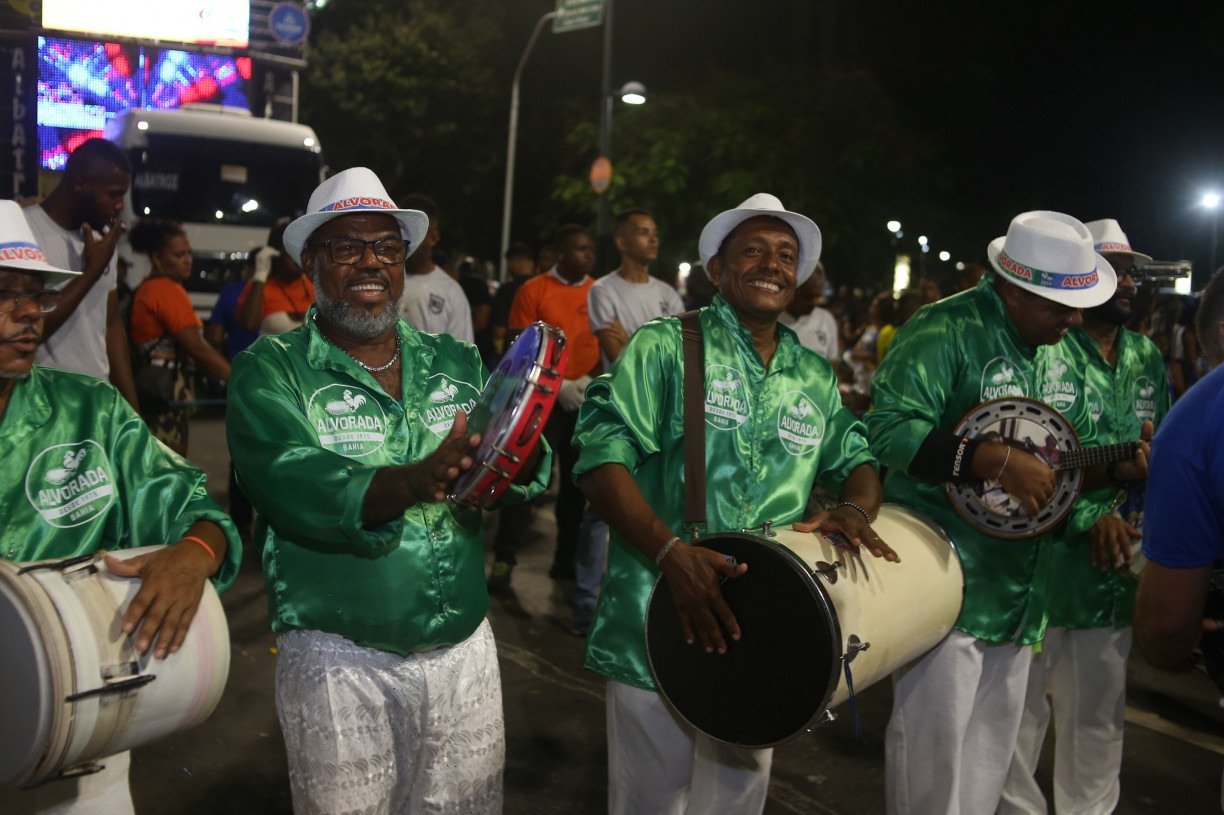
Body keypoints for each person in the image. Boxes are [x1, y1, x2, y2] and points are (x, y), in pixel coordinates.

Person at [225, 167, 550, 814]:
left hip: (462, 650)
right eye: (347, 248)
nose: (371, 262)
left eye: (387, 248)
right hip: (339, 658)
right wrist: (416, 478)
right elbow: (289, 482)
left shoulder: (455, 359)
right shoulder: (271, 369)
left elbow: (521, 467)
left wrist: (512, 455)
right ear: (311, 263)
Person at [574, 193, 896, 814]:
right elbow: (599, 460)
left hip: (763, 629)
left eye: (785, 255)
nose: (772, 264)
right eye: (753, 250)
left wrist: (857, 508)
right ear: (716, 271)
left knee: (736, 803)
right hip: (655, 617)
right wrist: (670, 553)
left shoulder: (813, 374)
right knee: (649, 802)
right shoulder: (667, 346)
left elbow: (858, 461)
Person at [867, 210, 1148, 815]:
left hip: (1024, 594)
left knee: (988, 763)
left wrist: (1110, 473)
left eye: (1079, 306)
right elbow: (887, 430)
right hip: (943, 583)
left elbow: (1060, 462)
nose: (1075, 320)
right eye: (1059, 307)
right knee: (931, 757)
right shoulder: (946, 329)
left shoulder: (1059, 347)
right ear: (1014, 290)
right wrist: (985, 459)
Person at [0, 199, 240, 815]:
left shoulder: (89, 412)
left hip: (81, 752)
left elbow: (198, 510)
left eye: (38, 295)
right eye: (6, 294)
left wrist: (193, 553)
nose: (30, 314)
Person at [1001, 218, 1167, 815]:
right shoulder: (1044, 347)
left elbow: (1155, 450)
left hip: (1114, 567)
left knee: (1098, 715)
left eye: (1132, 272)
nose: (1126, 282)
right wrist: (1086, 514)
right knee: (1021, 715)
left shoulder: (1147, 357)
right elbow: (1026, 455)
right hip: (1043, 559)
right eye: (1113, 269)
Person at [569, 207, 684, 633]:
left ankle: (644, 608)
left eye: (655, 232)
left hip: (662, 416)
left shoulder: (669, 294)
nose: (653, 239)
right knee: (601, 510)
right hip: (619, 414)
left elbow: (676, 361)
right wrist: (648, 344)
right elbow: (620, 360)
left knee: (652, 509)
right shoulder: (603, 290)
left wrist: (633, 338)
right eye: (643, 232)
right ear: (621, 241)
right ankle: (585, 603)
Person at [509, 224, 600, 581]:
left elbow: (606, 344)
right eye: (579, 248)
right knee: (525, 480)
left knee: (576, 490)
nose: (587, 254)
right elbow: (520, 347)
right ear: (560, 252)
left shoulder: (598, 292)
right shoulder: (534, 290)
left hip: (583, 399)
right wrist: (556, 384)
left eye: (590, 248)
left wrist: (586, 380)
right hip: (541, 400)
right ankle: (505, 559)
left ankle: (565, 564)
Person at [24, 137, 138, 408]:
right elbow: (32, 328)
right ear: (80, 183)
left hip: (96, 406)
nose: (120, 206)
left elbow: (110, 325)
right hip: (45, 407)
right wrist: (92, 271)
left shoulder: (101, 240)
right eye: (113, 194)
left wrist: (134, 412)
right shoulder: (25, 233)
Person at [127, 218, 232, 455]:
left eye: (189, 253)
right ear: (156, 258)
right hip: (163, 391)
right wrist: (237, 378)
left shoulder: (150, 287)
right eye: (179, 255)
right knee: (169, 465)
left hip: (157, 388)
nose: (188, 260)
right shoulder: (164, 289)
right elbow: (197, 348)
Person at [485, 243, 539, 593]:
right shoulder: (512, 291)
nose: (516, 264)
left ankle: (507, 553)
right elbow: (501, 337)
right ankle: (501, 551)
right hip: (512, 387)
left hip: (530, 391)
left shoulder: (525, 288)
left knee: (523, 470)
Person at [395, 194, 474, 343]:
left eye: (415, 232)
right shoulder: (380, 282)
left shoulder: (452, 293)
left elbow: (459, 359)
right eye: (401, 231)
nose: (405, 240)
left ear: (433, 237)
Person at [236, 220, 315, 336]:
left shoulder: (314, 285)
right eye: (290, 250)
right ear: (274, 253)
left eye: (301, 249)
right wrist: (260, 273)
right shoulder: (260, 287)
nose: (298, 256)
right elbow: (249, 323)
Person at [778, 260, 839, 361]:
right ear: (793, 291)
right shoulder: (771, 320)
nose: (813, 303)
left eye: (817, 297)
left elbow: (832, 365)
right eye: (808, 297)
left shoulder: (826, 319)